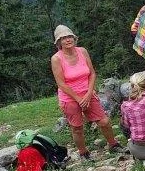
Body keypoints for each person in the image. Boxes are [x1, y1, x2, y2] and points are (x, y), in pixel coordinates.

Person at [49, 25, 123, 161]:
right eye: (63, 38)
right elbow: (61, 84)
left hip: (88, 94)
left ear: (74, 38)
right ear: (59, 42)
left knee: (104, 121)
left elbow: (92, 73)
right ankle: (83, 153)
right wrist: (78, 98)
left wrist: (89, 94)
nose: (67, 40)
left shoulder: (82, 51)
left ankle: (113, 144)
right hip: (70, 98)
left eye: (69, 36)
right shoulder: (56, 59)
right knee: (77, 127)